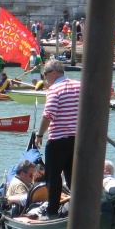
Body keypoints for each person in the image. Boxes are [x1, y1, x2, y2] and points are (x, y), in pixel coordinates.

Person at [33, 59, 80, 220]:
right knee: (73, 177)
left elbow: (48, 115)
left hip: (58, 139)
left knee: (53, 177)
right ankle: (77, 208)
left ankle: (52, 212)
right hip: (78, 140)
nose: (44, 78)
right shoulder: (79, 86)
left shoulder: (54, 89)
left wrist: (39, 135)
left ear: (53, 73)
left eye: (45, 75)